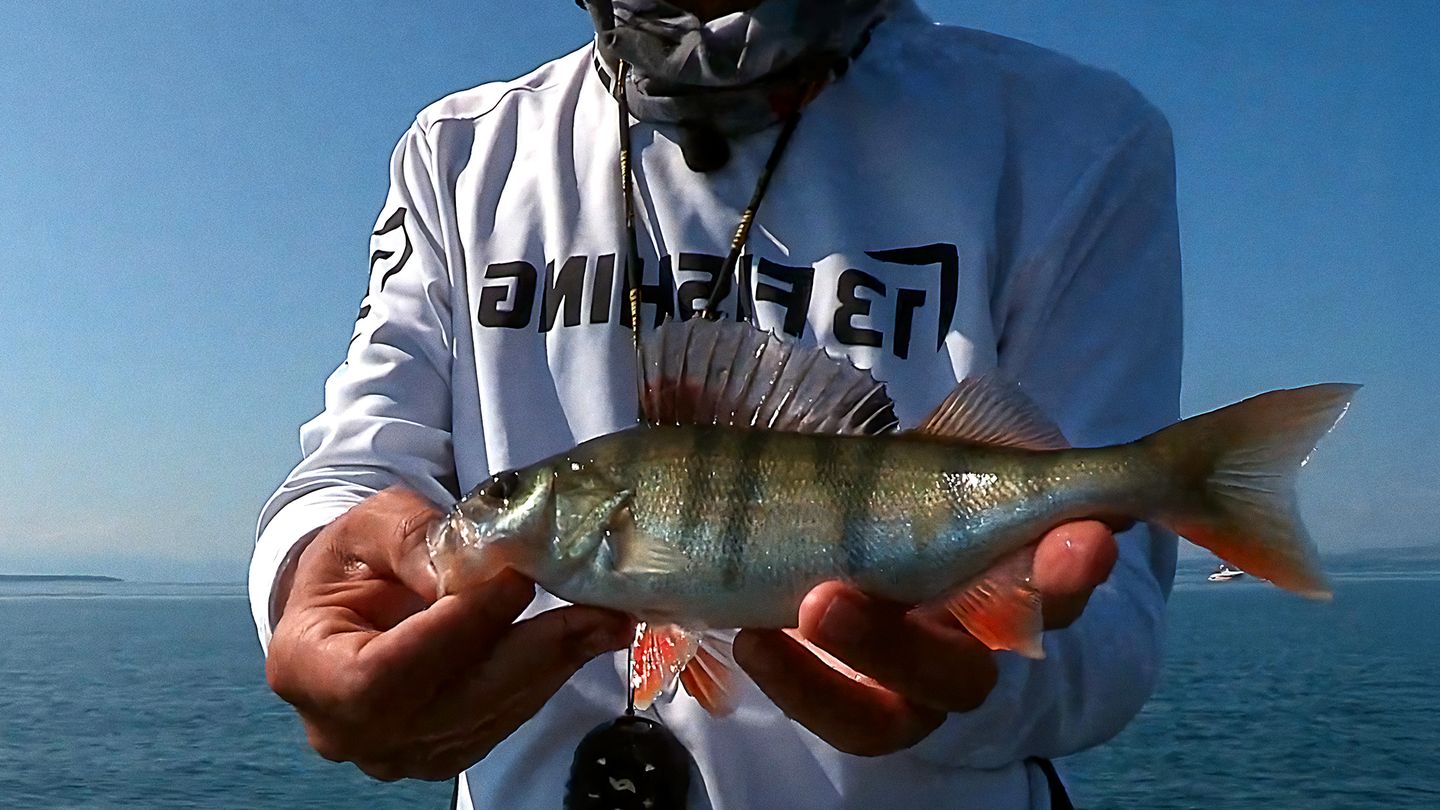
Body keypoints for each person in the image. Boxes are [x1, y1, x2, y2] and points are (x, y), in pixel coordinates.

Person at [250, 0, 1181, 807]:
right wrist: (304, 582)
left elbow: (1110, 619)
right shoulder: (456, 153)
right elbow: (357, 466)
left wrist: (977, 682)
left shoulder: (1073, 138)